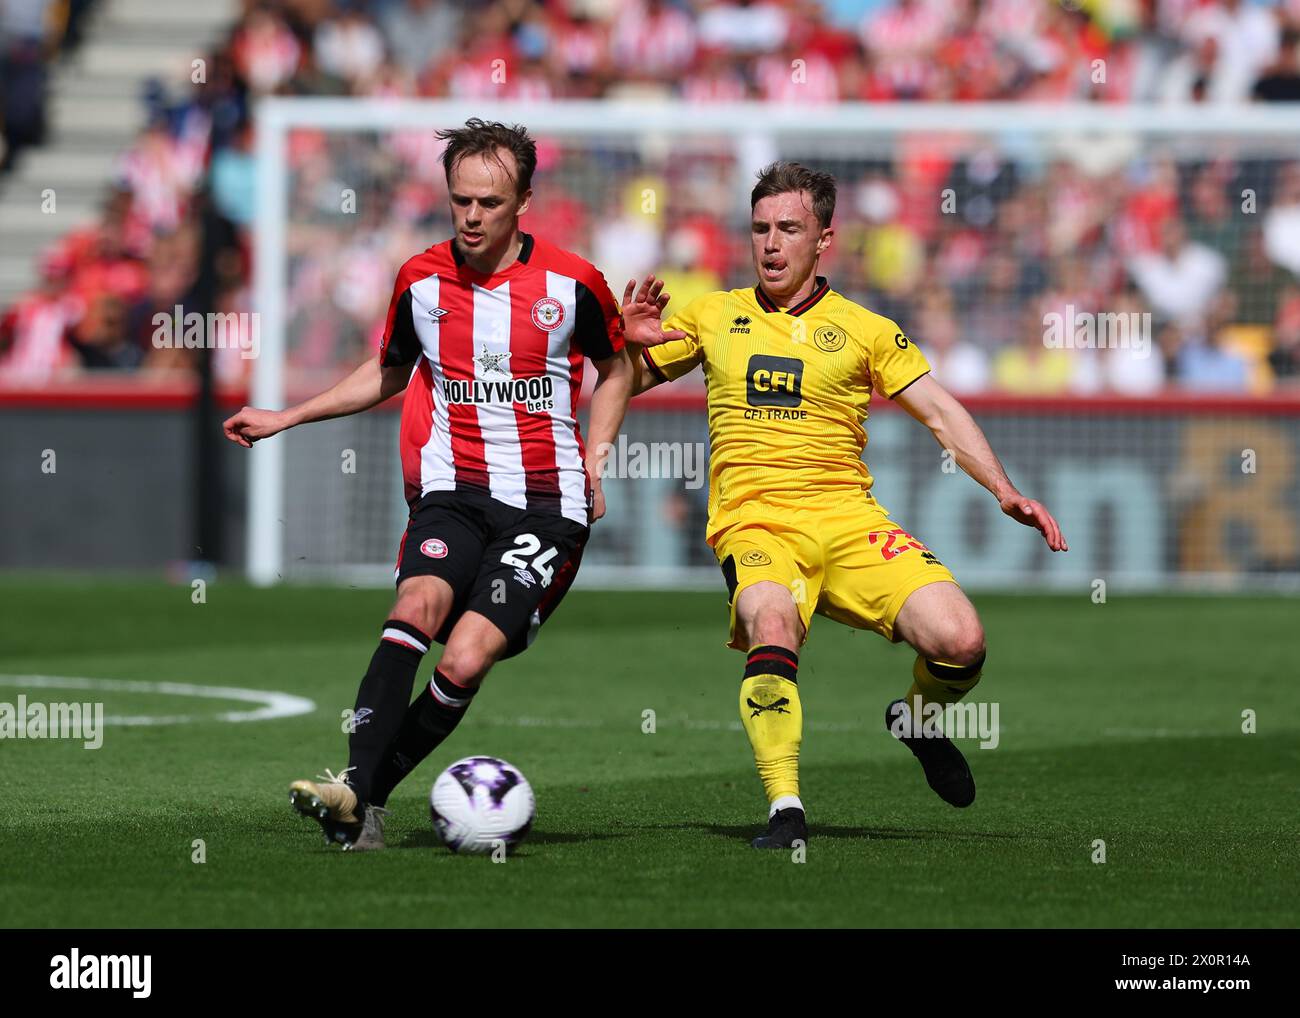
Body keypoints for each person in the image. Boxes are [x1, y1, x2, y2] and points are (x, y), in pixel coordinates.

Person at [622, 162, 1066, 848]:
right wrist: (620, 344)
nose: (770, 244)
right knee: (773, 621)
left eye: (789, 229)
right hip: (757, 523)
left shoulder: (865, 330)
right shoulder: (713, 313)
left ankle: (917, 720)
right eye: (761, 229)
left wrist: (1003, 490)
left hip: (850, 524)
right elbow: (621, 377)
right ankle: (785, 809)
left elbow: (941, 413)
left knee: (962, 641)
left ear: (823, 239)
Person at [223, 119, 632, 850]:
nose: (472, 217)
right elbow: (387, 370)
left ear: (524, 201)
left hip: (548, 508)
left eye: (490, 203)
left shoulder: (574, 284)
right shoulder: (420, 278)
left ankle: (365, 795)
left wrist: (597, 452)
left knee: (466, 658)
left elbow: (618, 365)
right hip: (453, 490)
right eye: (460, 201)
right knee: (415, 602)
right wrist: (290, 415)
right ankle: (355, 790)